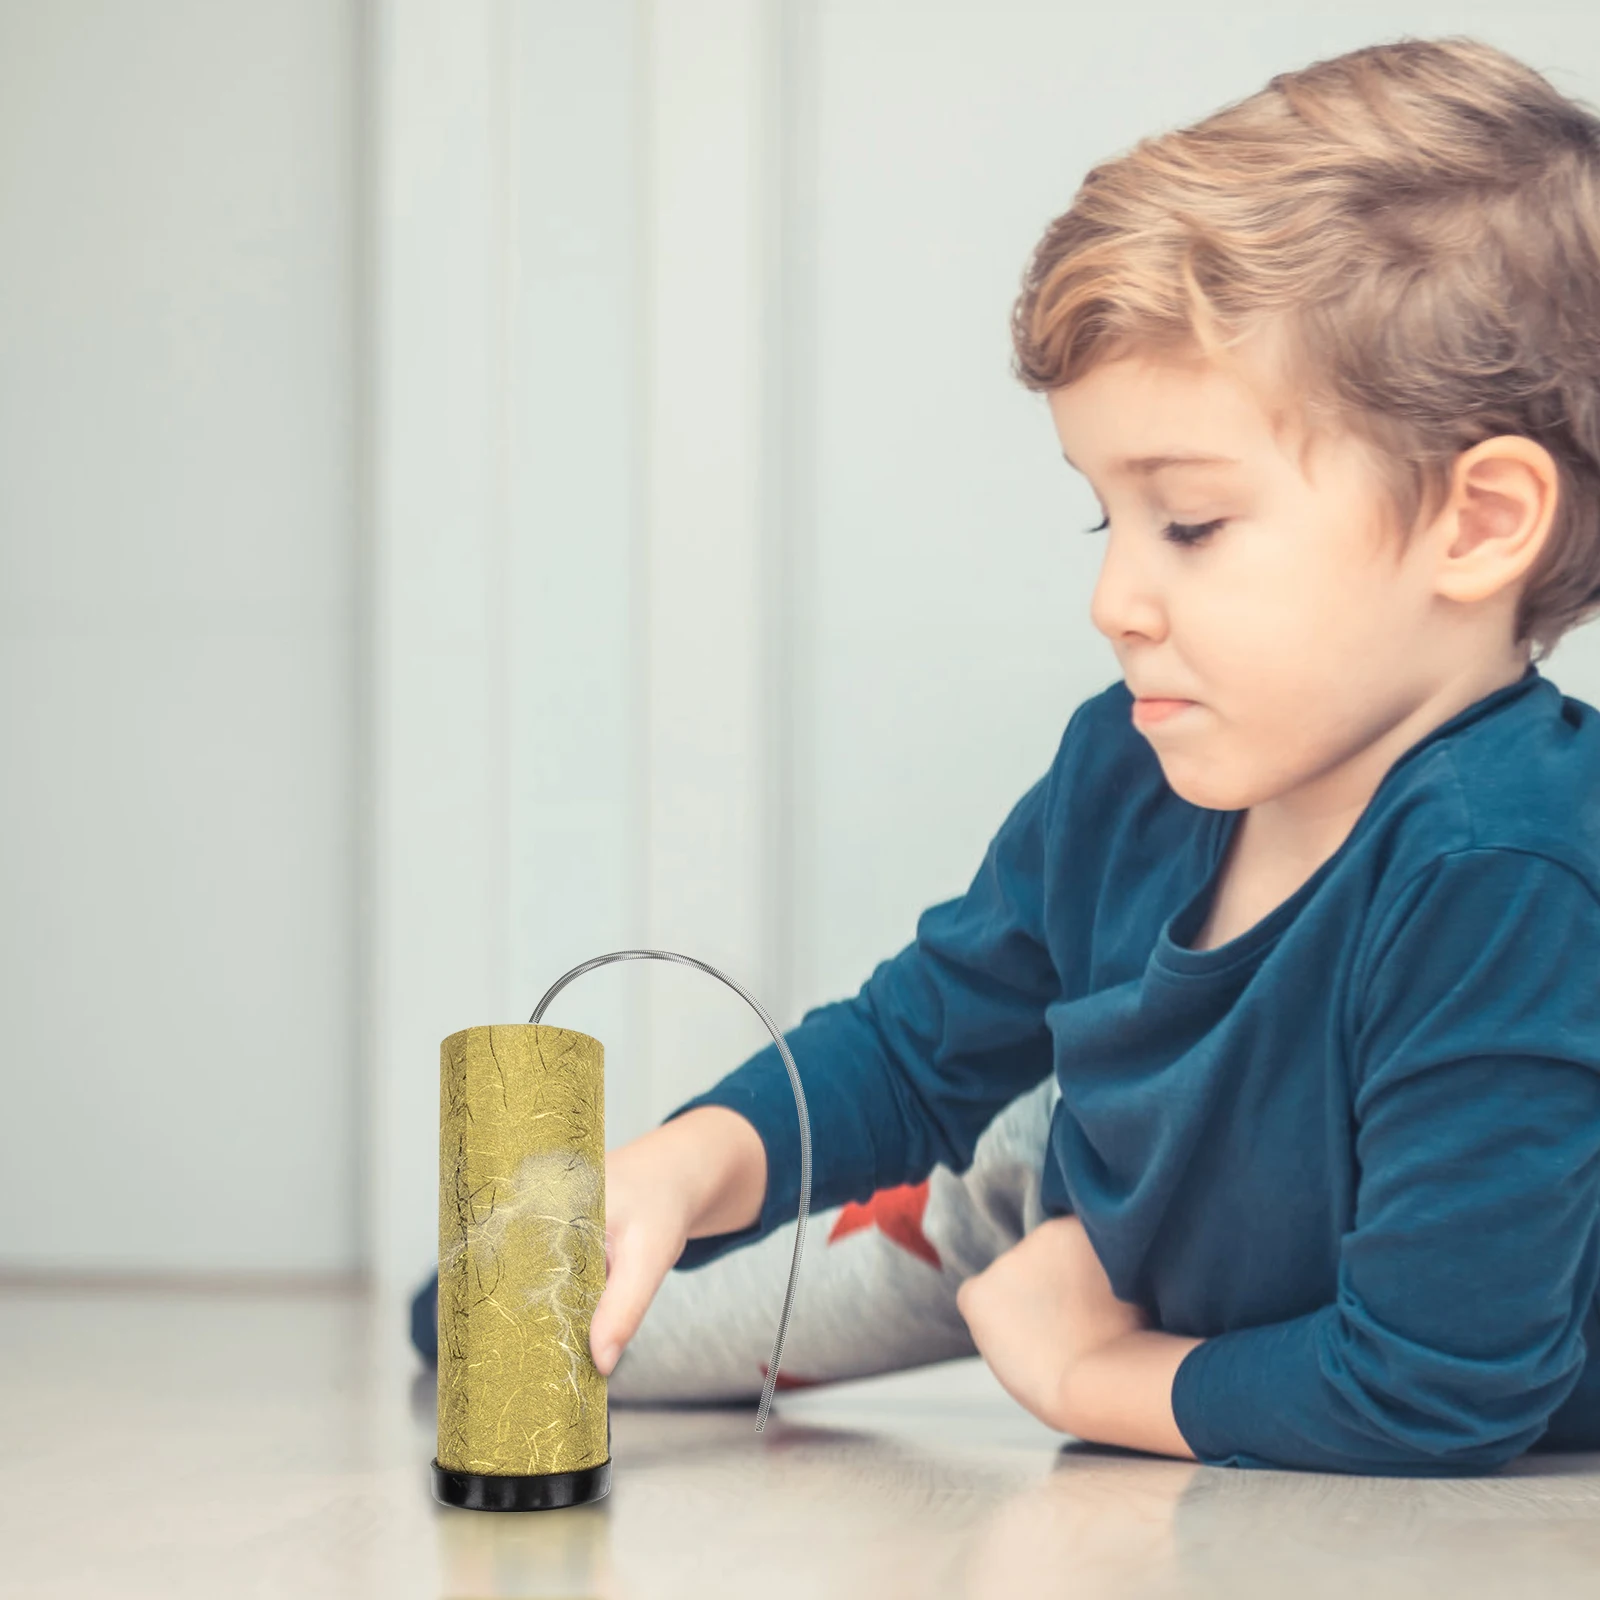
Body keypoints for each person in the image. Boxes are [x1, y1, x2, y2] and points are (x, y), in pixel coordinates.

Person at [414, 36, 1600, 1474]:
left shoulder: (1509, 870)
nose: (1115, 602)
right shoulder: (1128, 764)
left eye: (1193, 524)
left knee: (1018, 1235)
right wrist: (690, 1160)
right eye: (1107, 520)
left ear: (1476, 526)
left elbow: (1437, 1388)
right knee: (523, 1311)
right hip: (1102, 1177)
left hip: (1176, 1260)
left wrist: (1087, 1373)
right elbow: (917, 1045)